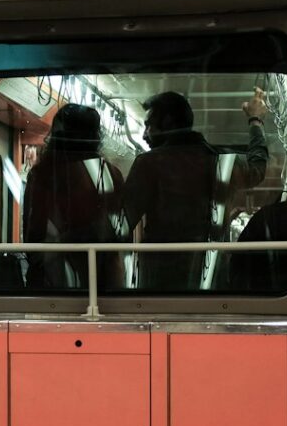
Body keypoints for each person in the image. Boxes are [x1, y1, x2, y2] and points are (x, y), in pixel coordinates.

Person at [122, 87, 268, 291]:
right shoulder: (221, 161)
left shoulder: (150, 164)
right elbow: (258, 169)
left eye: (149, 126)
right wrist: (255, 121)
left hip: (159, 281)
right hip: (212, 276)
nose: (144, 135)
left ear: (168, 124)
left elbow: (121, 225)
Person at [22, 103, 125, 289]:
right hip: (103, 278)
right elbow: (118, 231)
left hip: (52, 278)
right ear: (95, 136)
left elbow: (34, 233)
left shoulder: (44, 174)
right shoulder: (110, 174)